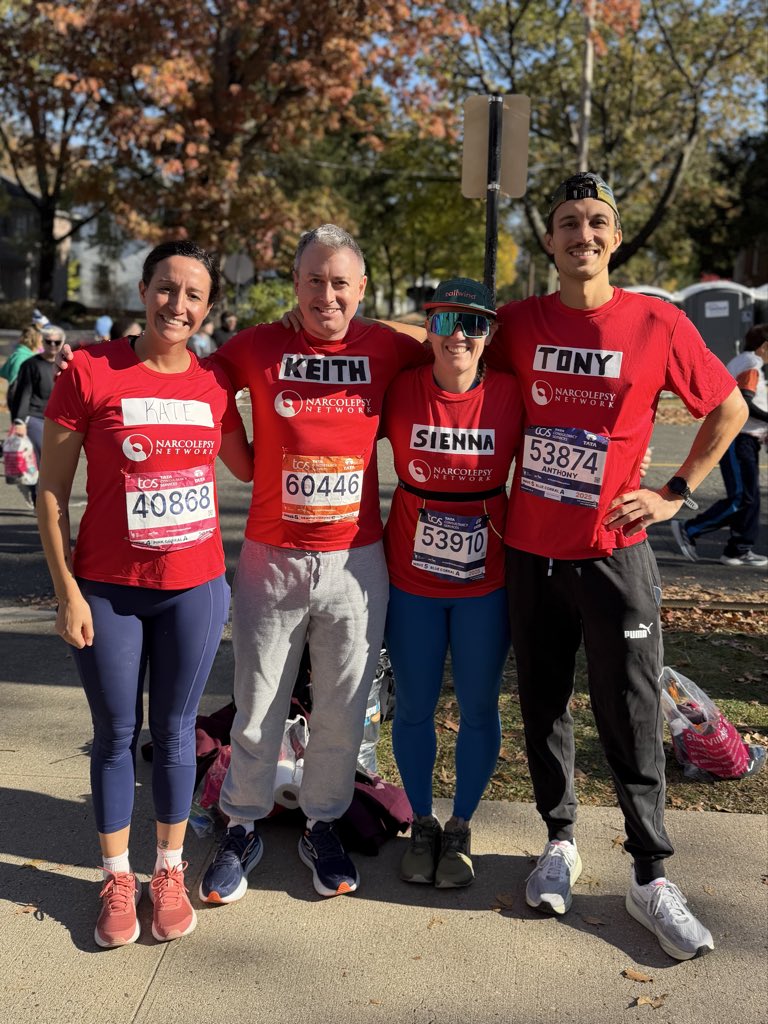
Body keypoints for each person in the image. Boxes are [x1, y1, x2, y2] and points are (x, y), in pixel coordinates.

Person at [491, 171, 746, 961]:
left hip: (615, 554)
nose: (583, 234)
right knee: (542, 705)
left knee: (631, 712)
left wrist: (674, 492)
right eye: (568, 222)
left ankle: (649, 873)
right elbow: (453, 373)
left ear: (616, 237)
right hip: (530, 553)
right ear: (549, 242)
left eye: (597, 221)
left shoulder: (657, 322)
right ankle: (560, 840)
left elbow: (729, 404)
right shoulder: (517, 323)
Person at [196, 224, 429, 903]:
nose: (327, 294)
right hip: (272, 558)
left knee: (342, 707)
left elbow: (457, 371)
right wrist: (240, 456)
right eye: (314, 280)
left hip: (357, 563)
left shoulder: (390, 346)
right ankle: (239, 824)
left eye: (340, 283)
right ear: (295, 285)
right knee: (259, 702)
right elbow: (201, 379)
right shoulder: (259, 344)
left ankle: (322, 823)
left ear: (361, 290)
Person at [36, 240, 252, 950]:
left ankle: (167, 868)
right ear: (142, 289)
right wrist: (65, 590)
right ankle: (116, 876)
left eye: (193, 295)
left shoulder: (215, 383)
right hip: (107, 591)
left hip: (194, 590)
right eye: (166, 288)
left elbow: (250, 466)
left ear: (208, 308)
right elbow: (50, 492)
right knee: (116, 736)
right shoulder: (91, 371)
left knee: (177, 733)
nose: (177, 305)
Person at [381, 277, 523, 888]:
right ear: (427, 328)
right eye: (444, 322)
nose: (458, 335)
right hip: (411, 576)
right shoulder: (400, 388)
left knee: (478, 707)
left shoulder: (514, 395)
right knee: (412, 707)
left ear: (491, 334)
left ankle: (460, 824)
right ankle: (422, 822)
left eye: (474, 324)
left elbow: (584, 428)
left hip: (485, 580)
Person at [671, 323, 768, 567]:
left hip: (746, 438)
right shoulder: (751, 365)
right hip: (738, 438)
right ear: (765, 346)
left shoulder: (745, 362)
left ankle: (738, 549)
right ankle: (691, 529)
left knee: (750, 498)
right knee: (740, 498)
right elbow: (745, 401)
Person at [9, 323, 66, 505]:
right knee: (43, 460)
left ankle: (37, 491)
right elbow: (23, 393)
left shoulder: (68, 365)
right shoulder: (31, 365)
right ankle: (39, 498)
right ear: (43, 341)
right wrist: (19, 421)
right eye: (49, 342)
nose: (53, 346)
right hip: (35, 417)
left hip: (61, 419)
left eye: (57, 343)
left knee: (57, 464)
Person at [1, 324, 42, 408]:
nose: (43, 342)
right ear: (35, 339)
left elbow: (5, 372)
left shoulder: (19, 354)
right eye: (42, 339)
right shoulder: (22, 357)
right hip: (21, 400)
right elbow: (14, 380)